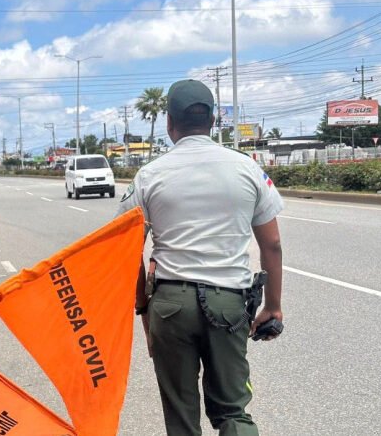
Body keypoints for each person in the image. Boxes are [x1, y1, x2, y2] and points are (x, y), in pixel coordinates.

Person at [116, 80, 284, 436]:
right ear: (211, 120)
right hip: (229, 302)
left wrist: (143, 307)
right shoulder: (248, 168)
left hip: (170, 305)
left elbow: (126, 249)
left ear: (169, 123)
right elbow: (272, 246)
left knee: (181, 416)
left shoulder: (149, 175)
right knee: (233, 411)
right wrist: (273, 306)